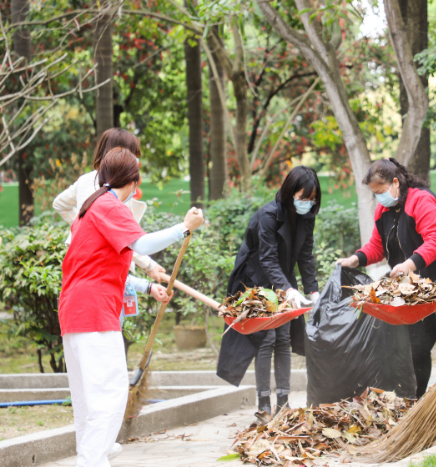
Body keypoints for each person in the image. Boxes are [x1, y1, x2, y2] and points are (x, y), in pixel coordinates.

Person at [59, 147, 204, 466]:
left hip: (74, 311)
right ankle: (92, 459)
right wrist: (184, 227)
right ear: (134, 180)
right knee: (109, 395)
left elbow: (105, 263)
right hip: (94, 312)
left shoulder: (91, 206)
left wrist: (148, 283)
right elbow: (142, 244)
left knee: (87, 399)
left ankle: (95, 452)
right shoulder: (109, 205)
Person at [336, 158, 436, 398]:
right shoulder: (383, 210)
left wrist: (409, 264)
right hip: (422, 285)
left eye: (381, 191)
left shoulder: (421, 200)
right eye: (374, 193)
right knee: (417, 345)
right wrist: (355, 259)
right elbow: (377, 246)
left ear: (395, 182)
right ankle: (413, 403)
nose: (379, 197)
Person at [216, 166, 321, 415]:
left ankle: (283, 403)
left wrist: (313, 290)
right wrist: (287, 289)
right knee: (266, 338)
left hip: (282, 276)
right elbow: (266, 259)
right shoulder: (268, 215)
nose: (307, 203)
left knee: (284, 337)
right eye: (302, 197)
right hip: (255, 278)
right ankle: (263, 403)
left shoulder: (307, 216)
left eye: (312, 199)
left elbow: (305, 256)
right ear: (289, 192)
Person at [53, 128, 167, 283]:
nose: (135, 162)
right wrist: (149, 265)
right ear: (120, 154)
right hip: (100, 267)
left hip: (93, 265)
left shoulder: (87, 180)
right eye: (133, 155)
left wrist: (82, 223)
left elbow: (59, 203)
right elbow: (122, 238)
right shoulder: (107, 189)